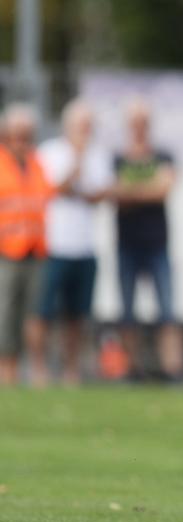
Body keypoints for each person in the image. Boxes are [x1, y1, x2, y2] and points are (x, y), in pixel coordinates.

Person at [33, 99, 113, 386]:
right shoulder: (50, 152)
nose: (86, 131)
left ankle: (71, 370)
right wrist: (77, 161)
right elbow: (58, 188)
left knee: (76, 315)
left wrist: (79, 188)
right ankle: (39, 369)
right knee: (42, 311)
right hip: (54, 245)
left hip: (85, 247)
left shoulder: (100, 154)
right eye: (82, 125)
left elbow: (99, 194)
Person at [109, 98, 183, 380]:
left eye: (143, 122)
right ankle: (131, 370)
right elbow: (114, 193)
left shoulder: (163, 156)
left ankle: (173, 370)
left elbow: (162, 190)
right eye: (135, 123)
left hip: (157, 244)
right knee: (127, 312)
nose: (139, 128)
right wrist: (146, 189)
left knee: (167, 311)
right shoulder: (118, 157)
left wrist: (130, 190)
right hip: (127, 244)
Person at [0, 104, 55, 386]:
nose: (23, 141)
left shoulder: (37, 163)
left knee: (36, 314)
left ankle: (37, 371)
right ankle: (6, 372)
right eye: (18, 135)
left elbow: (47, 196)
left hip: (36, 249)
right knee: (6, 313)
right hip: (7, 252)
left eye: (28, 135)